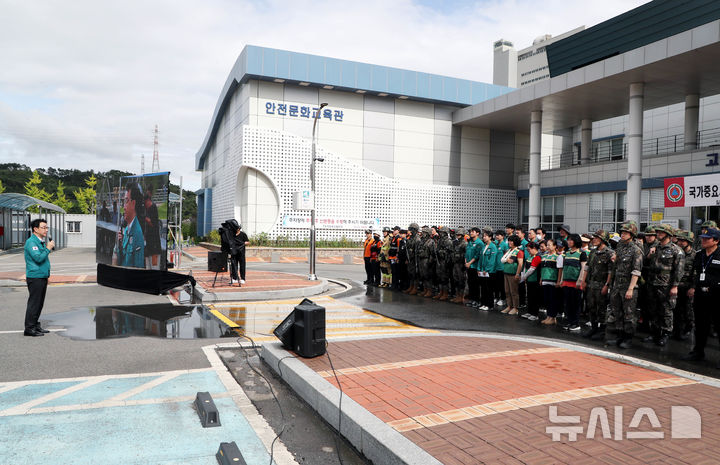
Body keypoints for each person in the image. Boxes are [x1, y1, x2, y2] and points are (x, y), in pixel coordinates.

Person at [643, 224, 685, 346]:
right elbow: (646, 262)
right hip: (652, 283)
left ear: (668, 234)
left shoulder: (676, 250)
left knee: (666, 309)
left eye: (661, 232)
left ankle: (666, 333)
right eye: (658, 232)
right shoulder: (655, 247)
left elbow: (679, 270)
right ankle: (655, 332)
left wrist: (674, 286)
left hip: (666, 285)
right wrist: (649, 255)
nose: (658, 234)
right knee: (653, 308)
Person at [683, 228, 720, 365]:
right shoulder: (699, 255)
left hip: (716, 296)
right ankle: (698, 352)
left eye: (707, 238)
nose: (703, 240)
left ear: (716, 241)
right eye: (703, 238)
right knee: (700, 326)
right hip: (701, 296)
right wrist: (693, 286)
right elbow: (696, 273)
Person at [605, 221, 643, 349]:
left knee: (629, 314)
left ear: (632, 234)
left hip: (628, 286)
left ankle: (628, 338)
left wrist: (631, 288)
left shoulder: (636, 250)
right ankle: (619, 336)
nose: (623, 234)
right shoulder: (620, 247)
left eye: (626, 233)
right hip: (617, 285)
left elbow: (636, 271)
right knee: (617, 311)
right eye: (622, 232)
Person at [580, 230, 614, 339]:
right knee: (591, 306)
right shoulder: (593, 253)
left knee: (602, 308)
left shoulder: (609, 253)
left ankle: (602, 330)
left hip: (601, 285)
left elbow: (610, 271)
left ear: (603, 240)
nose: (594, 240)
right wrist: (583, 280)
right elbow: (587, 267)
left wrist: (606, 285)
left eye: (596, 238)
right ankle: (594, 328)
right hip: (591, 284)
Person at [24, 218, 55, 337]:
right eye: (43, 227)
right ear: (35, 229)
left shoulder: (40, 241)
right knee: (34, 303)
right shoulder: (31, 242)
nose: (46, 230)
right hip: (35, 276)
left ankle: (35, 325)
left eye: (47, 227)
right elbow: (38, 258)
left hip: (42, 276)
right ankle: (29, 328)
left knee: (39, 303)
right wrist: (48, 248)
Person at [558, 234, 587, 331]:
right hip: (566, 281)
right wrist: (562, 279)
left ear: (576, 241)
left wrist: (580, 280)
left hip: (575, 282)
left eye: (571, 240)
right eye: (568, 240)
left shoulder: (581, 253)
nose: (569, 242)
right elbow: (564, 267)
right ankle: (570, 321)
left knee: (576, 303)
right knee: (568, 303)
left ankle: (576, 323)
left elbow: (583, 268)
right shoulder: (566, 253)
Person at [115, 183, 145, 268]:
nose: (124, 207)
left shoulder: (137, 233)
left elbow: (138, 267)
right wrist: (120, 245)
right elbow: (122, 260)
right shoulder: (127, 229)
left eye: (126, 201)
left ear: (133, 203)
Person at [674, 230, 696, 340]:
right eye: (679, 240)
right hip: (676, 285)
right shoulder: (677, 253)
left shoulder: (695, 255)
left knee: (688, 310)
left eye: (683, 241)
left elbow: (696, 273)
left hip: (687, 287)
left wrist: (693, 287)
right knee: (676, 309)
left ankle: (688, 328)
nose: (680, 242)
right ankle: (677, 331)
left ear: (689, 241)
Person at [540, 239, 561, 325]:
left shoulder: (558, 256)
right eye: (547, 245)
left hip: (553, 280)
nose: (548, 247)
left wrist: (558, 281)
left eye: (549, 245)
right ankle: (548, 316)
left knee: (553, 300)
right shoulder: (544, 256)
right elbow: (542, 269)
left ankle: (553, 317)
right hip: (545, 280)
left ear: (555, 246)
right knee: (547, 300)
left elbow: (560, 270)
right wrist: (541, 279)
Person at [501, 235, 523, 315]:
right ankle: (509, 306)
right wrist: (507, 260)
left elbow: (520, 264)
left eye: (511, 241)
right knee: (507, 291)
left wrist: (517, 273)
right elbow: (503, 260)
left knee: (514, 291)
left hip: (513, 274)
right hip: (506, 273)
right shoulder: (509, 250)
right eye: (509, 241)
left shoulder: (519, 251)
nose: (509, 242)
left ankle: (515, 307)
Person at [519, 241, 542, 321]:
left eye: (529, 250)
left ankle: (535, 314)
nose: (528, 251)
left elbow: (532, 269)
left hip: (534, 280)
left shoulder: (537, 257)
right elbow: (525, 267)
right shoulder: (530, 256)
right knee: (529, 297)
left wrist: (524, 277)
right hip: (528, 280)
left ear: (534, 248)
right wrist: (524, 276)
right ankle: (529, 312)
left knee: (534, 297)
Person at [477, 229, 498, 310]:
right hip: (482, 270)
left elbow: (492, 260)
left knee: (489, 289)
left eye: (486, 236)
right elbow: (480, 258)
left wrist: (487, 269)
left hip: (490, 271)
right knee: (483, 288)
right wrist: (479, 268)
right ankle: (483, 303)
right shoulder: (483, 246)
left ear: (490, 237)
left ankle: (489, 305)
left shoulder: (493, 247)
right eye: (483, 236)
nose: (484, 238)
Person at [143, 191, 162, 269]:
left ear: (148, 201)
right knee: (148, 268)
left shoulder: (153, 208)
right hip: (148, 247)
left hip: (155, 248)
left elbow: (153, 224)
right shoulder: (146, 210)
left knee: (155, 268)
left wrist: (146, 219)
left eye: (144, 203)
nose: (144, 205)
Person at [434, 226, 454, 301]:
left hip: (445, 261)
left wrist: (440, 252)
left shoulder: (448, 241)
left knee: (444, 278)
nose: (440, 233)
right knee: (439, 277)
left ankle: (445, 293)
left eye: (441, 232)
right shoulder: (440, 240)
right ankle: (440, 292)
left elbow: (449, 252)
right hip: (439, 260)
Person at [464, 227, 482, 306]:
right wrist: (466, 261)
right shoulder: (470, 242)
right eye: (470, 232)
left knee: (475, 284)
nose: (471, 233)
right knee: (470, 283)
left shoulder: (479, 243)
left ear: (477, 233)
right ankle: (471, 299)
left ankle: (476, 300)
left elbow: (477, 255)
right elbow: (466, 253)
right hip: (468, 266)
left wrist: (470, 263)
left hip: (474, 266)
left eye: (473, 232)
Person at [450, 228, 467, 304]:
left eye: (459, 235)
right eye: (457, 235)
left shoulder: (464, 244)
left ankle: (461, 296)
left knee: (461, 281)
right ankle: (457, 296)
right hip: (455, 263)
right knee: (456, 280)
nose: (458, 236)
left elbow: (465, 255)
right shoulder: (455, 243)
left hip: (461, 264)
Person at [418, 226, 437, 297]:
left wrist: (430, 261)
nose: (422, 234)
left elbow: (433, 253)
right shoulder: (422, 241)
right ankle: (425, 290)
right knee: (423, 276)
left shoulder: (431, 241)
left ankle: (430, 291)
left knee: (428, 276)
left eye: (424, 232)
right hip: (421, 259)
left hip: (427, 260)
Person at [404, 223, 420, 294]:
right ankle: (411, 287)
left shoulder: (417, 239)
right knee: (410, 274)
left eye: (411, 229)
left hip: (414, 259)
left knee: (414, 274)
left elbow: (416, 250)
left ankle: (415, 288)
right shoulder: (410, 238)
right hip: (410, 258)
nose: (409, 231)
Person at [494, 230, 508, 306]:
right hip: (495, 267)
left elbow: (506, 255)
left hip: (502, 267)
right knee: (496, 284)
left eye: (498, 235)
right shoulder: (495, 244)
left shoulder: (505, 245)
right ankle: (496, 297)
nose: (497, 236)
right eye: (496, 235)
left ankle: (503, 299)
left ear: (502, 236)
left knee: (501, 285)